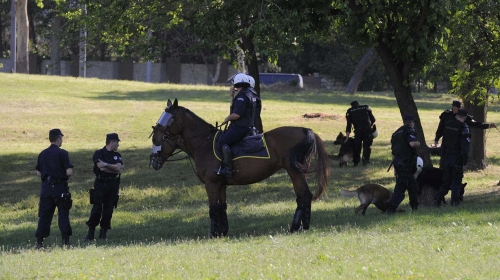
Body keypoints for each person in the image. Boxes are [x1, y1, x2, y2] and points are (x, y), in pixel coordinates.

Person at [216, 73, 261, 178]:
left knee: (222, 141)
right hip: (250, 126)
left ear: (236, 83)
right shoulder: (252, 94)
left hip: (240, 127)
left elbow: (236, 114)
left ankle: (227, 169)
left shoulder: (242, 96)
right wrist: (232, 97)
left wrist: (227, 118)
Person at [35, 129, 74, 249]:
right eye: (61, 139)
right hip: (60, 188)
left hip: (46, 188)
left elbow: (38, 172)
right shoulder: (63, 153)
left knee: (44, 215)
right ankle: (65, 241)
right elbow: (69, 172)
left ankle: (40, 242)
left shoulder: (42, 153)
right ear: (58, 139)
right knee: (63, 214)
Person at [83, 133, 124, 241]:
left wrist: (105, 165)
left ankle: (103, 233)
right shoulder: (99, 153)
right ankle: (90, 233)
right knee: (97, 209)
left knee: (108, 210)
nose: (118, 145)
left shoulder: (117, 155)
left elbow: (118, 168)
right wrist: (112, 168)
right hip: (101, 184)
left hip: (113, 184)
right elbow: (100, 169)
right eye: (117, 142)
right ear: (112, 142)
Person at [434, 100, 496, 168]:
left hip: (457, 142)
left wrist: (488, 126)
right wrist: (437, 139)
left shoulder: (463, 116)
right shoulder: (446, 115)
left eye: (457, 108)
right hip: (446, 140)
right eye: (454, 108)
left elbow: (475, 124)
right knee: (443, 159)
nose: (456, 110)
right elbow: (440, 128)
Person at [434, 109, 470, 207]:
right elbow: (465, 147)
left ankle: (437, 200)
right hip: (457, 158)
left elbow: (444, 142)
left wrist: (444, 156)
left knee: (446, 181)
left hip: (447, 157)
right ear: (465, 117)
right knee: (456, 182)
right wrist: (464, 162)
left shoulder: (448, 125)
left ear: (456, 116)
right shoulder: (464, 127)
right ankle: (455, 203)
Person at [387, 114, 420, 214]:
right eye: (414, 122)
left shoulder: (396, 133)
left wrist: (395, 168)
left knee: (413, 186)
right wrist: (418, 143)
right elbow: (412, 144)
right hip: (406, 163)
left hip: (399, 163)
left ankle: (415, 208)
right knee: (400, 190)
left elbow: (394, 153)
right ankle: (391, 209)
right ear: (411, 122)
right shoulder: (409, 130)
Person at [345, 100, 376, 166]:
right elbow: (373, 119)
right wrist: (370, 126)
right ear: (359, 104)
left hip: (358, 131)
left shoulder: (350, 111)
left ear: (352, 106)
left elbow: (348, 125)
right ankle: (365, 160)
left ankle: (356, 162)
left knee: (357, 147)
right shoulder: (366, 108)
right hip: (367, 130)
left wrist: (347, 137)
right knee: (367, 146)